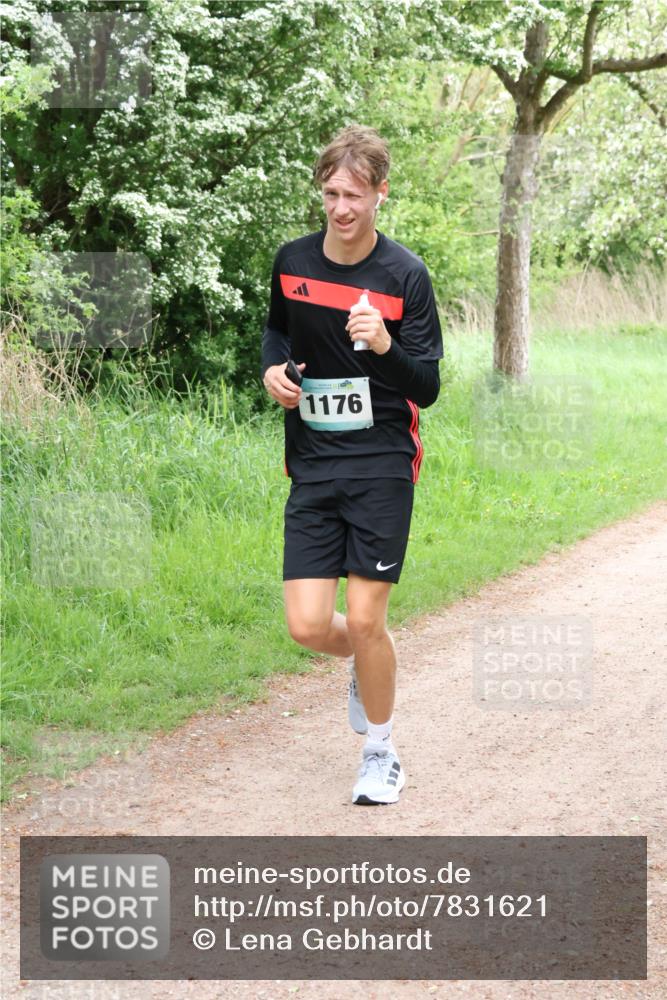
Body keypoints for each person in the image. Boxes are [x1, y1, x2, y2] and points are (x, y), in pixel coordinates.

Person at [261, 125, 443, 805]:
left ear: (380, 194)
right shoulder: (291, 260)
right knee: (308, 625)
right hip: (312, 463)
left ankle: (381, 752)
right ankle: (366, 669)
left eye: (355, 195)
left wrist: (385, 345)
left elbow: (424, 385)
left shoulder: (404, 275)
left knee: (366, 619)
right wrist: (271, 371)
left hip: (382, 463)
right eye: (331, 193)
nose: (340, 207)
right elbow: (277, 329)